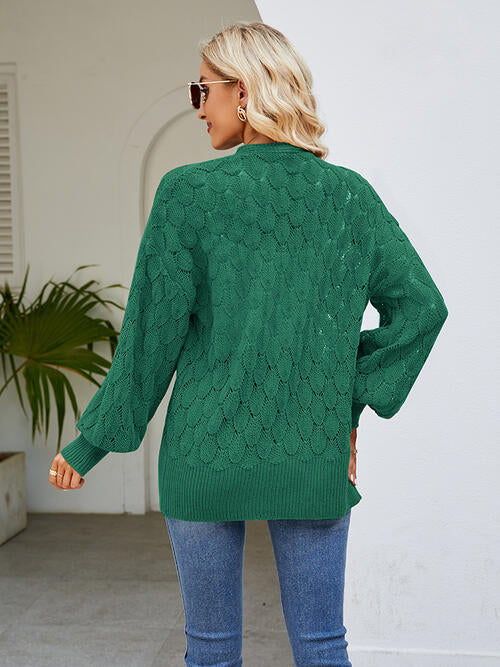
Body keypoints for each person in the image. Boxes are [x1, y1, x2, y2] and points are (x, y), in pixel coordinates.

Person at [49, 20, 448, 667]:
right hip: (311, 452)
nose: (198, 107)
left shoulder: (187, 194)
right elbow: (422, 309)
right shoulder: (348, 197)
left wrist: (89, 443)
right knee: (322, 646)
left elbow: (150, 340)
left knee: (211, 652)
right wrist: (347, 402)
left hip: (203, 453)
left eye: (202, 89)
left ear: (244, 91)